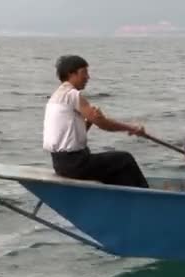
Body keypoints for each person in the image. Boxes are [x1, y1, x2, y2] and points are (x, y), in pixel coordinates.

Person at [43, 55, 149, 188]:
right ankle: (148, 198)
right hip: (76, 164)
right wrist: (132, 128)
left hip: (61, 164)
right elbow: (104, 124)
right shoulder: (72, 95)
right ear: (71, 73)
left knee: (116, 169)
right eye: (84, 73)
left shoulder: (56, 97)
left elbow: (70, 136)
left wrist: (89, 121)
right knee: (125, 159)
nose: (88, 77)